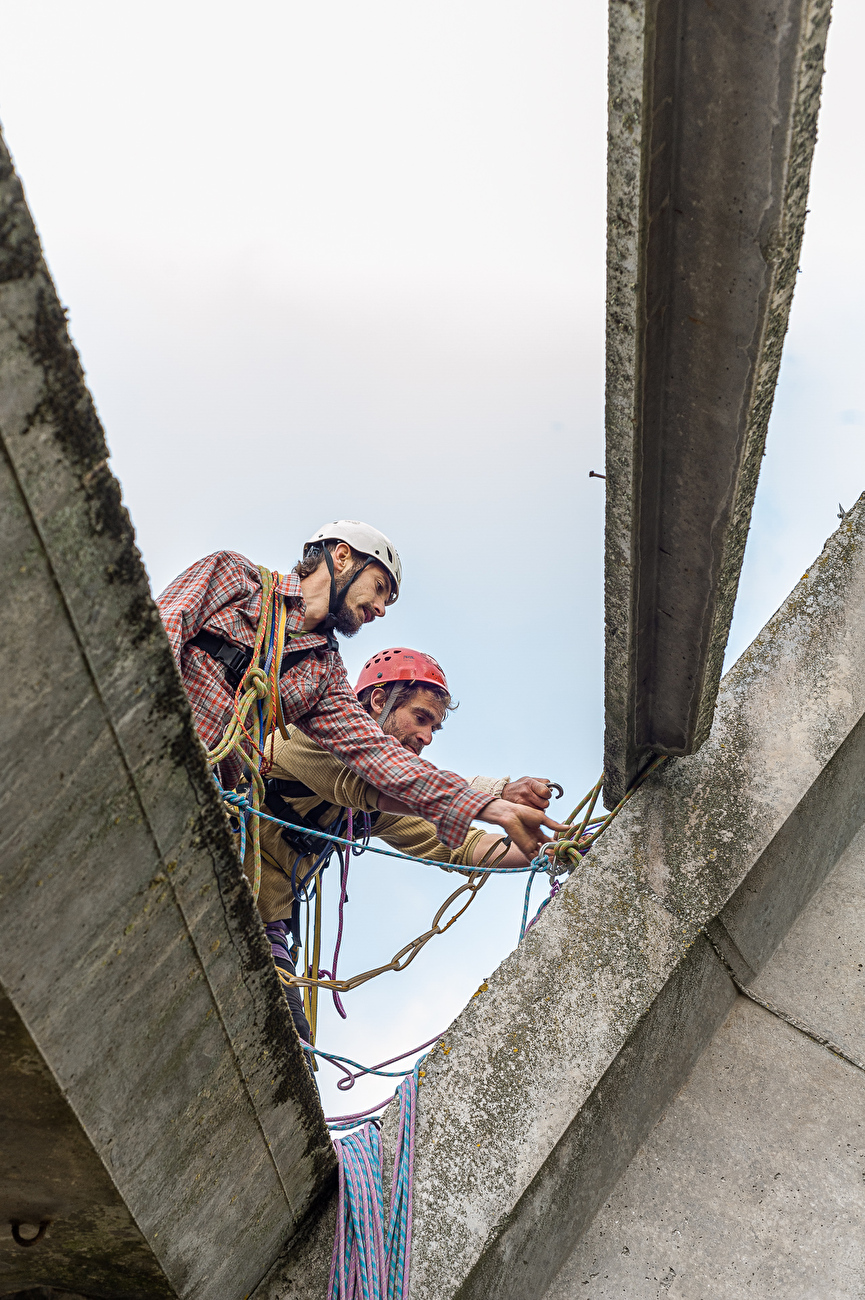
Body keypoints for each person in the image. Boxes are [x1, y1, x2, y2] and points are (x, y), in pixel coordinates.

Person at [156, 522, 565, 863]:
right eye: (380, 586)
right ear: (342, 556)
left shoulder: (323, 675)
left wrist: (489, 806)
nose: (382, 607)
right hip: (156, 757)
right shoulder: (236, 577)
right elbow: (161, 637)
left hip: (204, 809)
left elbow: (380, 759)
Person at [250, 647, 559, 1046]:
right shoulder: (303, 732)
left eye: (434, 728)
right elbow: (368, 781)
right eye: (420, 718)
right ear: (378, 700)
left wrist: (549, 849)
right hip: (221, 874)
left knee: (292, 1052)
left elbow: (461, 847)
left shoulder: (381, 807)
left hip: (264, 925)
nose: (427, 737)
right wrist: (495, 795)